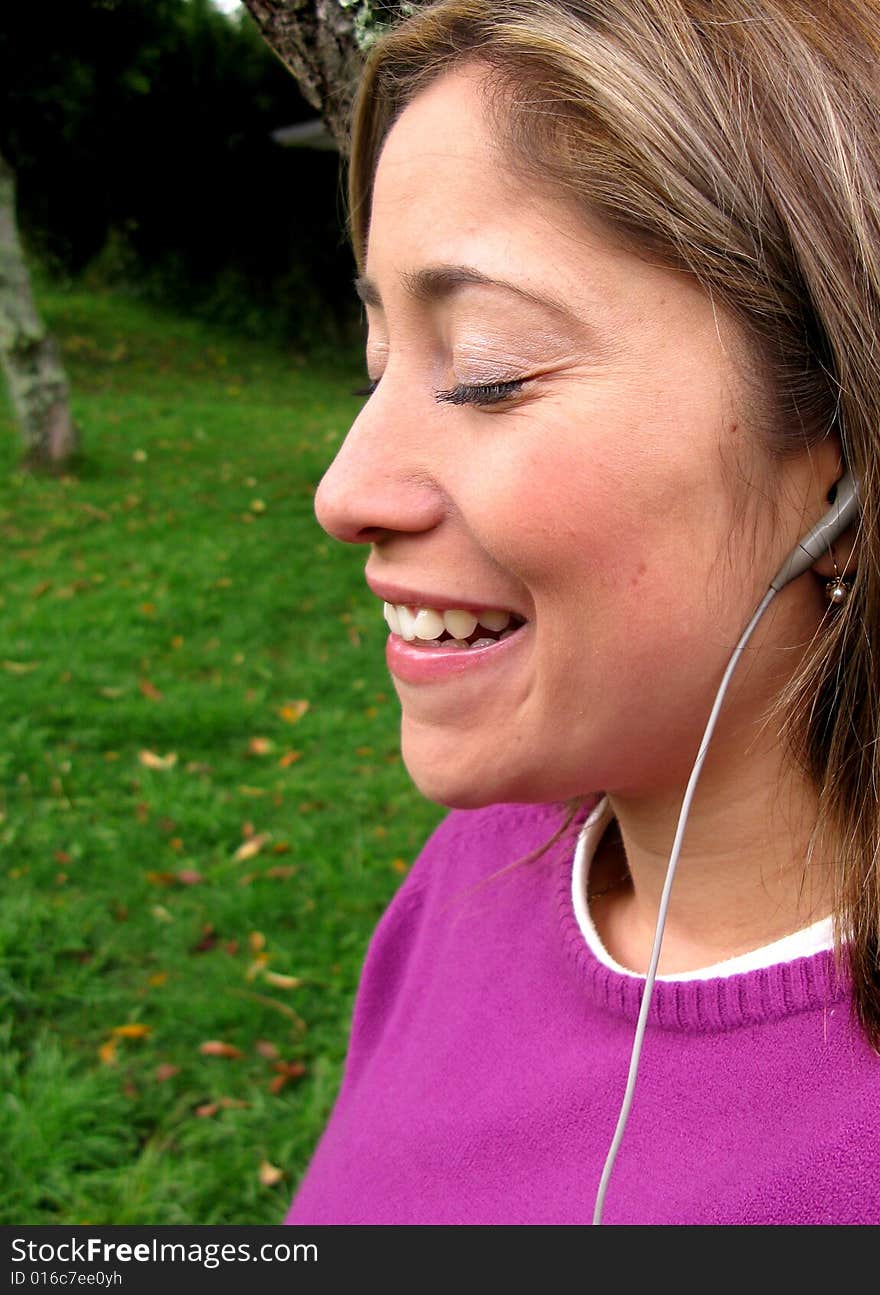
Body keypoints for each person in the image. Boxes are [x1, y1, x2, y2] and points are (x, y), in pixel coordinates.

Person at [284, 0, 880, 1225]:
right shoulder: (486, 863)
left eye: (489, 369)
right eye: (375, 358)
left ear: (845, 450)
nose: (343, 492)